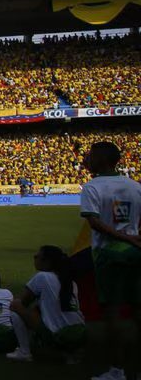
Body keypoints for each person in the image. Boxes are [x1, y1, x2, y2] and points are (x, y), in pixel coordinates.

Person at [79, 140, 141, 380]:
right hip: (135, 251)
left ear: (103, 160)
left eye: (91, 156)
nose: (87, 159)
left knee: (113, 312)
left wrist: (122, 237)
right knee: (137, 309)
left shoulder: (93, 187)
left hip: (109, 255)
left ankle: (117, 370)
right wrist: (134, 238)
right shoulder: (134, 186)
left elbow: (94, 222)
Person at [7, 245, 86, 363]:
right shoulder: (70, 282)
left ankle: (24, 352)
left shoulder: (42, 276)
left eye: (37, 256)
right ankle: (70, 353)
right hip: (81, 333)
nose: (34, 258)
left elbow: (21, 302)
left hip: (62, 336)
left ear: (46, 261)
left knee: (15, 308)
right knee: (39, 310)